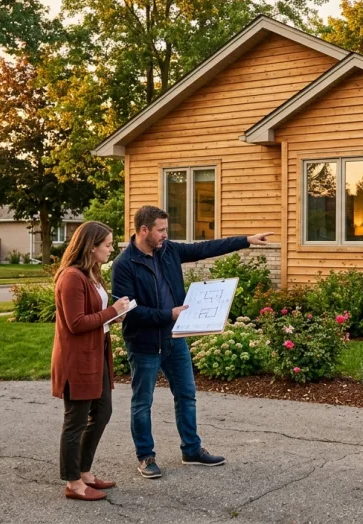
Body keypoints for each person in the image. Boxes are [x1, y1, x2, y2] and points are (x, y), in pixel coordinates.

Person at [111, 205, 272, 478]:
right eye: (161, 230)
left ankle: (191, 450)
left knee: (186, 395)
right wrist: (168, 314)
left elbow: (205, 248)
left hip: (175, 339)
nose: (165, 235)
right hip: (144, 343)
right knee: (142, 403)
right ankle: (146, 456)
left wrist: (246, 240)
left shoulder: (169, 250)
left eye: (166, 229)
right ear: (144, 230)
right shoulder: (124, 264)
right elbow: (129, 311)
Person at [51, 221, 130, 501]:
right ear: (91, 246)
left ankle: (84, 472)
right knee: (75, 422)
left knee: (102, 412)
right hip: (77, 360)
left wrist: (113, 316)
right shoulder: (72, 277)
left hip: (97, 355)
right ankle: (73, 483)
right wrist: (111, 311)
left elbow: (94, 315)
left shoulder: (92, 274)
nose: (111, 249)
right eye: (107, 245)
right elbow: (75, 323)